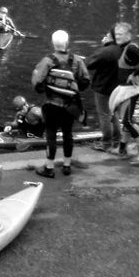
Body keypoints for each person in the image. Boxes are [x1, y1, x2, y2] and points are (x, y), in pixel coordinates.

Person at [30, 30, 91, 177]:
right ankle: (67, 166)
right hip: (69, 106)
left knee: (51, 135)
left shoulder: (47, 61)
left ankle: (49, 168)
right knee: (67, 134)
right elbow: (85, 82)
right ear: (67, 43)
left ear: (53, 43)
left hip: (51, 105)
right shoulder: (77, 60)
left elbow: (38, 85)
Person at [110, 22, 139, 165]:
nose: (117, 37)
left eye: (120, 34)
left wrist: (135, 73)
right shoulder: (123, 47)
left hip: (131, 90)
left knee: (127, 121)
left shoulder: (132, 49)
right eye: (116, 34)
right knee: (126, 119)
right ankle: (122, 150)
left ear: (128, 35)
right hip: (125, 89)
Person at [87, 28, 122, 151]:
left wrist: (105, 46)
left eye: (107, 35)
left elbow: (89, 63)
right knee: (114, 114)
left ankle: (106, 143)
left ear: (112, 37)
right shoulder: (123, 50)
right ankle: (117, 140)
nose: (105, 36)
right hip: (118, 88)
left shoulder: (107, 51)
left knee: (105, 115)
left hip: (104, 88)